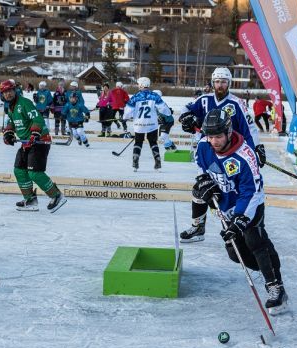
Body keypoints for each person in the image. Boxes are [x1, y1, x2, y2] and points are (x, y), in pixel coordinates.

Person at [193, 108, 287, 312]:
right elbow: (200, 163)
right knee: (236, 254)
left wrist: (241, 218)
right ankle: (268, 266)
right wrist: (203, 179)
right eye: (210, 136)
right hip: (226, 205)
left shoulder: (245, 156)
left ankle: (275, 286)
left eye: (218, 136)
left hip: (250, 204)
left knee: (256, 241)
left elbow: (250, 192)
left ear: (228, 132)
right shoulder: (204, 144)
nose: (214, 141)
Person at [179, 67, 263, 243]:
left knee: (233, 189)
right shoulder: (204, 100)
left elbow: (249, 129)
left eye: (223, 82)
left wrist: (255, 149)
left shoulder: (237, 103)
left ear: (229, 83)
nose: (220, 85)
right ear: (212, 82)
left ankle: (247, 226)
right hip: (207, 152)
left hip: (230, 154)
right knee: (201, 188)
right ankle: (198, 227)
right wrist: (186, 117)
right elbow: (186, 108)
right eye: (217, 81)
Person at [0, 79, 67, 213]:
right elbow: (13, 122)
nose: (8, 94)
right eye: (5, 92)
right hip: (26, 143)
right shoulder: (10, 107)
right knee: (19, 170)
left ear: (15, 91)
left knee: (34, 173)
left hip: (39, 141)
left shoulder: (25, 103)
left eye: (10, 91)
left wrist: (35, 133)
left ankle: (56, 195)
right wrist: (8, 133)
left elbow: (38, 119)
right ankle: (30, 200)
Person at [123, 77, 172, 171]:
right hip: (152, 124)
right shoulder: (154, 96)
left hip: (139, 125)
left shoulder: (135, 97)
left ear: (142, 85)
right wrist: (169, 113)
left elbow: (128, 111)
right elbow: (163, 108)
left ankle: (135, 161)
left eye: (139, 84)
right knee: (153, 142)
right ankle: (157, 161)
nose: (138, 85)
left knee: (138, 142)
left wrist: (125, 118)